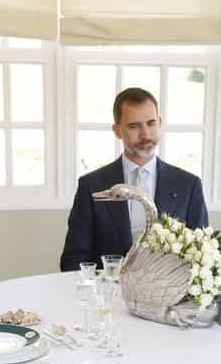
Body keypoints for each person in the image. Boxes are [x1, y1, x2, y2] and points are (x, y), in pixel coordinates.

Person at [60, 87, 209, 271]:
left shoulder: (189, 185)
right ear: (117, 130)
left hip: (168, 297)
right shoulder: (91, 185)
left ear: (160, 123)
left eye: (151, 123)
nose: (145, 134)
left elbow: (202, 256)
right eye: (134, 126)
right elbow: (74, 260)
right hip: (107, 294)